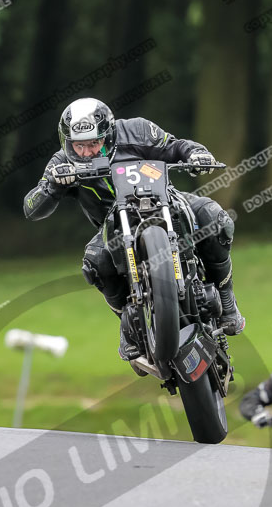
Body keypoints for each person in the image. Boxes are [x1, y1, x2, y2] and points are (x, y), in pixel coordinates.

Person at [23, 97, 245, 361]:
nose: (87, 152)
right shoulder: (62, 162)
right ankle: (128, 323)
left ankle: (226, 298)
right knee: (95, 263)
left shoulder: (138, 131)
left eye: (94, 143)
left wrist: (196, 153)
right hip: (113, 226)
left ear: (109, 134)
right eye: (79, 146)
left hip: (165, 200)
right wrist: (53, 186)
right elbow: (32, 207)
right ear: (67, 142)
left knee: (215, 219)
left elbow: (176, 146)